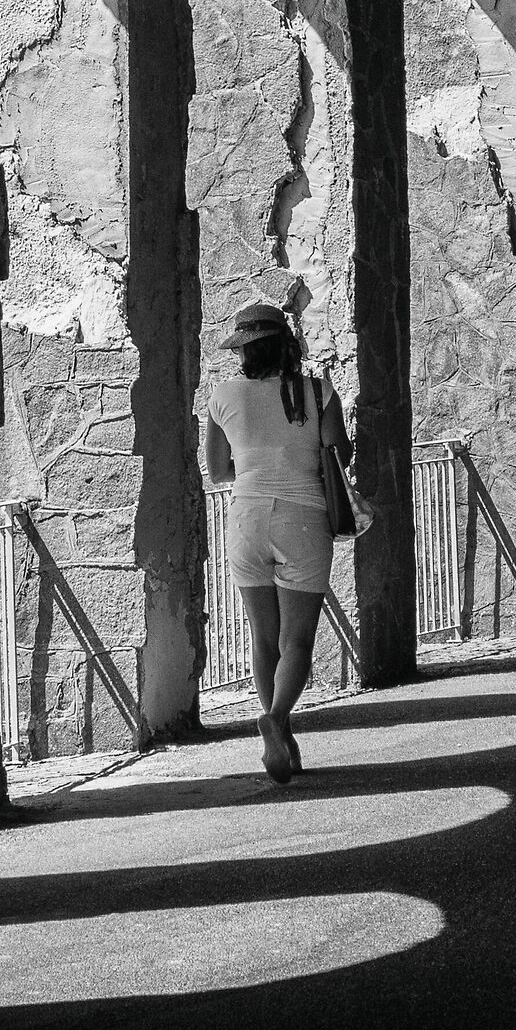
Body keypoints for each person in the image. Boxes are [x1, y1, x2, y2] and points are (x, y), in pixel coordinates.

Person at [203, 302, 350, 784]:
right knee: (298, 639)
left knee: (263, 637)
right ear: (287, 345)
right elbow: (338, 453)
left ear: (243, 352)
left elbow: (219, 470)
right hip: (303, 518)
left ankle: (279, 738)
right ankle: (277, 718)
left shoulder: (222, 396)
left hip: (245, 519)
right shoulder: (316, 390)